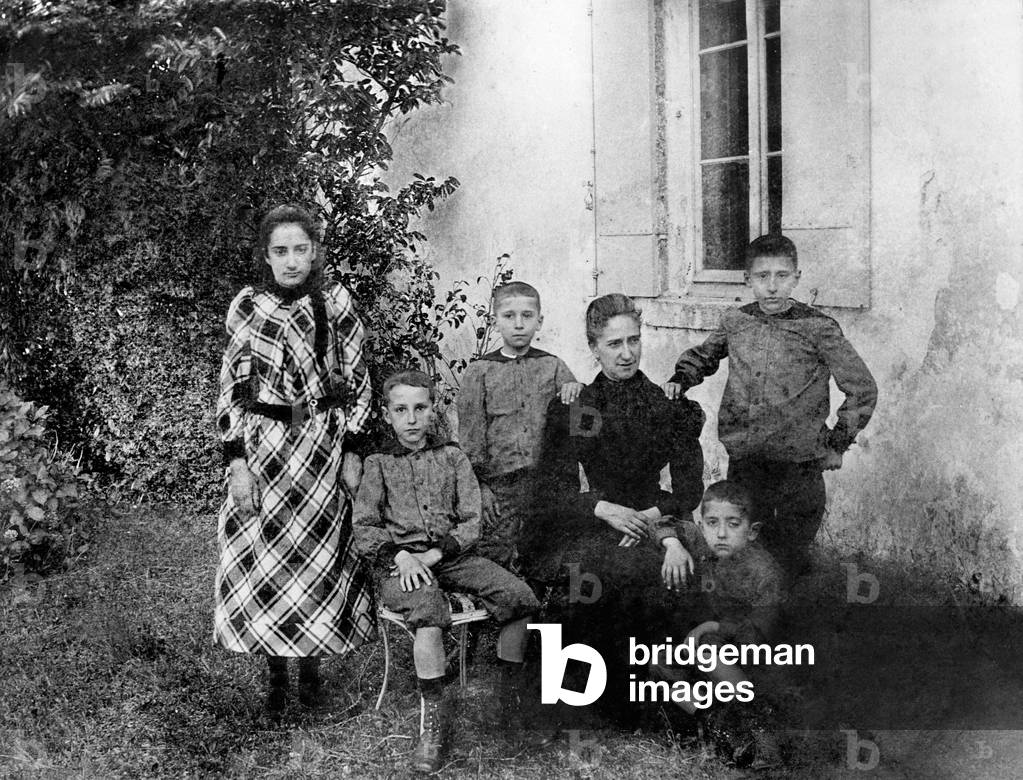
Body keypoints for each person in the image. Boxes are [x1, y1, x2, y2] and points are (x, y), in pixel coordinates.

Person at [213, 204, 375, 718]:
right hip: (266, 446)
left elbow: (357, 379)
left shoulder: (336, 302)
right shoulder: (248, 306)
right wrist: (237, 461)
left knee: (320, 558)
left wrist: (352, 447)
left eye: (300, 250)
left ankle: (311, 674)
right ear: (266, 255)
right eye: (280, 251)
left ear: (315, 252)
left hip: (321, 444)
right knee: (266, 559)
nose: (290, 261)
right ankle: (276, 679)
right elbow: (233, 388)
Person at [525, 292, 705, 723]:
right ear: (593, 348)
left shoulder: (666, 406)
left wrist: (652, 519)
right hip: (593, 522)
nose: (627, 354)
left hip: (650, 519)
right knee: (595, 573)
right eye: (613, 344)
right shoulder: (576, 406)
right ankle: (600, 698)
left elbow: (688, 489)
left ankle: (670, 695)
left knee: (669, 571)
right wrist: (603, 508)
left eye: (634, 341)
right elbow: (551, 491)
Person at [353, 369, 541, 774]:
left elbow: (471, 520)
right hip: (399, 564)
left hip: (451, 556)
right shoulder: (378, 463)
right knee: (429, 612)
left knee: (519, 597)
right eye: (401, 410)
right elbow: (365, 526)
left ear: (433, 409)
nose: (412, 419)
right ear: (387, 415)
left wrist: (436, 555)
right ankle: (433, 725)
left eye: (420, 408)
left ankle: (508, 705)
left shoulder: (453, 457)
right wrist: (401, 557)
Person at [665, 234, 878, 578]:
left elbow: (862, 389)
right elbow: (704, 356)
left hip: (800, 467)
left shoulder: (818, 328)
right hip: (747, 463)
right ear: (748, 280)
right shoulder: (736, 322)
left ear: (797, 277)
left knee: (790, 555)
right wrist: (681, 377)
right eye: (762, 277)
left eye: (782, 276)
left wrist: (838, 442)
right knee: (743, 552)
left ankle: (790, 626)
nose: (773, 287)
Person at [651, 480, 785, 769]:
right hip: (715, 651)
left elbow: (759, 633)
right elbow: (663, 522)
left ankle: (764, 736)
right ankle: (717, 724)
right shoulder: (701, 541)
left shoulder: (764, 571)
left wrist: (710, 628)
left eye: (733, 524)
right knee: (659, 660)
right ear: (701, 523)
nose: (721, 533)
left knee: (707, 649)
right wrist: (672, 544)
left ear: (753, 531)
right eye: (712, 523)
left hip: (758, 657)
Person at [457, 281, 582, 569]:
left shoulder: (553, 366)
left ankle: (543, 613)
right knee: (496, 552)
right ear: (494, 321)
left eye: (527, 316)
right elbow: (471, 437)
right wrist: (482, 488)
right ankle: (500, 612)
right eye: (509, 316)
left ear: (539, 321)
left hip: (546, 483)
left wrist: (576, 389)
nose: (518, 324)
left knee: (549, 557)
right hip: (501, 487)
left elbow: (578, 411)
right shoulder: (480, 371)